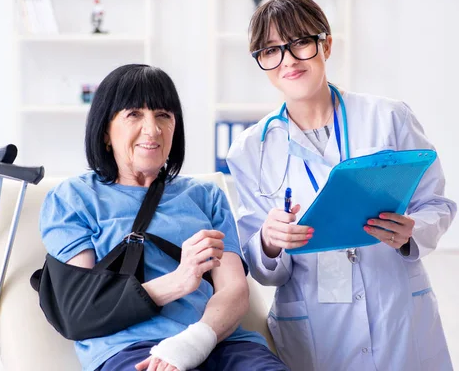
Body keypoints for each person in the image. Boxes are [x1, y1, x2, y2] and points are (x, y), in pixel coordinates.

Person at [227, 0, 457, 371]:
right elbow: (257, 257)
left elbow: (437, 204)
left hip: (395, 309)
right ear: (262, 62)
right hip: (315, 325)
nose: (287, 60)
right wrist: (269, 242)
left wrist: (411, 231)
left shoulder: (388, 117)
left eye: (300, 42)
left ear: (325, 46)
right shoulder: (251, 148)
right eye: (271, 50)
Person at [39, 64, 288, 371]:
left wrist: (195, 341)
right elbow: (80, 308)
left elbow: (234, 290)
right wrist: (180, 281)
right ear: (106, 130)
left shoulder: (206, 196)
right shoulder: (73, 198)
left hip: (219, 342)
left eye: (163, 115)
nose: (152, 129)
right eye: (134, 114)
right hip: (131, 348)